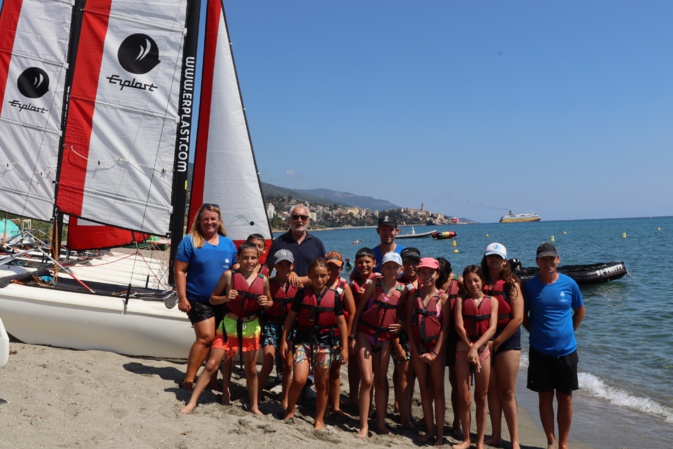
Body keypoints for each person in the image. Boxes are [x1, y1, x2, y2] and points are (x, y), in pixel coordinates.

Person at [181, 242, 272, 414]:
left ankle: (254, 406)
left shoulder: (263, 280)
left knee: (251, 369)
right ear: (238, 258)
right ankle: (192, 402)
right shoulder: (229, 276)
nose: (249, 261)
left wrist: (266, 303)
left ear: (258, 259)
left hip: (251, 327)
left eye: (253, 258)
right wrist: (225, 298)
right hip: (229, 325)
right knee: (212, 364)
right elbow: (213, 299)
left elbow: (270, 302)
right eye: (245, 257)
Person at [523, 243, 585, 449]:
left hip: (567, 352)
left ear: (558, 259)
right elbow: (523, 317)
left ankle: (563, 444)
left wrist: (568, 332)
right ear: (537, 262)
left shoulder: (570, 284)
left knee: (565, 399)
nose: (548, 262)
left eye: (551, 258)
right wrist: (537, 333)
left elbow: (580, 312)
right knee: (545, 398)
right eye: (543, 259)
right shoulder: (530, 287)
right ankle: (551, 441)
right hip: (540, 352)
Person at [174, 203, 237, 391]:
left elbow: (236, 268)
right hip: (197, 299)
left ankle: (211, 379)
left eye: (213, 219)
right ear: (199, 221)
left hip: (222, 301)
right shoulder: (190, 240)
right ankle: (188, 379)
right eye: (206, 219)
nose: (209, 222)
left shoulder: (228, 243)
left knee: (217, 340)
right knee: (206, 337)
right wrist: (182, 298)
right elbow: (179, 270)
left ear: (219, 221)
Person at [281, 258, 349, 430]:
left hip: (324, 344)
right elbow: (290, 319)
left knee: (321, 382)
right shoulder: (302, 294)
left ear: (328, 276)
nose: (319, 280)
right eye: (315, 276)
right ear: (309, 277)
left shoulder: (334, 297)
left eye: (323, 276)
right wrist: (284, 340)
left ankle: (319, 419)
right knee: (299, 379)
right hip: (303, 341)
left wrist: (345, 348)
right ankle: (290, 409)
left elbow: (341, 323)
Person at [349, 252, 404, 438]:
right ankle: (363, 425)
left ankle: (380, 423)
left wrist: (402, 324)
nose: (391, 270)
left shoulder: (403, 290)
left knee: (381, 381)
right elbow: (359, 310)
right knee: (367, 380)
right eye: (387, 266)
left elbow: (406, 314)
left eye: (394, 267)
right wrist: (352, 336)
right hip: (366, 334)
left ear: (400, 269)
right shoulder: (375, 284)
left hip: (384, 340)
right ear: (382, 267)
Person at [480, 243, 523, 449]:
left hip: (507, 341)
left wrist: (497, 342)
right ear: (486, 259)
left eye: (498, 257)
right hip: (486, 339)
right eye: (490, 257)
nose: (494, 260)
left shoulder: (511, 284)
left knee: (507, 391)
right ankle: (496, 435)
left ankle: (514, 440)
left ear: (505, 261)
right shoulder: (481, 282)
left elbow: (518, 318)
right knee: (491, 390)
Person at [453, 265, 498, 449]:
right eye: (469, 281)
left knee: (481, 396)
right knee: (465, 398)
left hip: (483, 351)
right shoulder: (460, 301)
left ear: (482, 281)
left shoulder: (492, 301)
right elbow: (458, 326)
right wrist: (470, 348)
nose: (473, 284)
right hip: (463, 350)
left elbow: (492, 328)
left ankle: (479, 442)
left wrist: (477, 348)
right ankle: (466, 439)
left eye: (476, 280)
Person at [406, 257, 449, 446]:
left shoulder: (443, 298)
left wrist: (436, 353)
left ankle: (439, 435)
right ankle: (429, 431)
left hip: (436, 352)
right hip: (418, 350)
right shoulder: (413, 297)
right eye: (422, 272)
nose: (427, 276)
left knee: (438, 392)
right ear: (418, 274)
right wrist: (415, 350)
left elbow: (446, 328)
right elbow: (408, 324)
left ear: (437, 274)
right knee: (424, 390)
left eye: (430, 272)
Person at [258, 249, 297, 408]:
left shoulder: (297, 284)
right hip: (271, 324)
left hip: (290, 326)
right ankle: (257, 392)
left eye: (287, 264)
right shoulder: (268, 283)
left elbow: (317, 279)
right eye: (281, 264)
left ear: (292, 266)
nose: (284, 267)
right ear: (275, 266)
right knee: (268, 360)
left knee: (288, 365)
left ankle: (285, 398)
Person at [324, 251, 356, 416]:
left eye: (336, 267)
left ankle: (335, 407)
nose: (333, 270)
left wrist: (347, 338)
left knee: (335, 371)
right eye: (329, 265)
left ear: (341, 267)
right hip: (321, 333)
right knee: (323, 371)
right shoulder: (318, 282)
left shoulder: (344, 286)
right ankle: (324, 404)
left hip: (337, 334)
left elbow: (351, 312)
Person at [345, 247, 378, 407]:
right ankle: (352, 396)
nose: (363, 265)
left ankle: (369, 403)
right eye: (360, 262)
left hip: (374, 330)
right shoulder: (353, 284)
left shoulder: (379, 281)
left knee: (370, 370)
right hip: (357, 329)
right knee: (353, 365)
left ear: (374, 263)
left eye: (367, 262)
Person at [394, 247, 422, 429]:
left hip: (421, 334)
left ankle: (407, 412)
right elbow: (392, 309)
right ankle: (405, 417)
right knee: (404, 373)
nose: (411, 266)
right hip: (402, 333)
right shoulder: (398, 284)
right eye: (407, 263)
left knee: (413, 375)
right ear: (401, 265)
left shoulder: (426, 281)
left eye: (414, 262)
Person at [436, 256, 464, 436]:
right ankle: (432, 417)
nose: (439, 277)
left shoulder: (458, 281)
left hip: (454, 335)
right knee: (434, 380)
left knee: (455, 380)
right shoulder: (429, 282)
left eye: (441, 274)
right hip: (435, 334)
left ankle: (457, 421)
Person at [266, 205, 326, 284]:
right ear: (289, 219)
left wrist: (297, 280)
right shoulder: (278, 243)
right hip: (283, 294)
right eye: (295, 217)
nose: (299, 220)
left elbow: (324, 273)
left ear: (309, 220)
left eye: (303, 217)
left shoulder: (317, 244)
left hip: (310, 294)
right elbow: (267, 271)